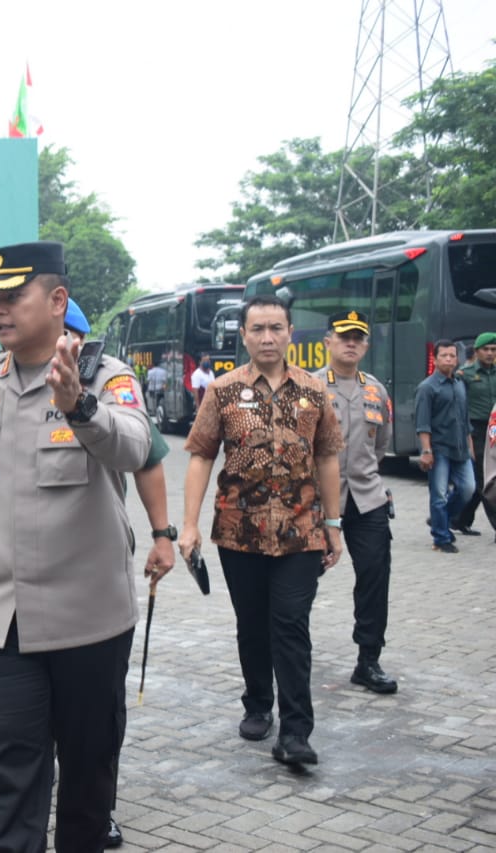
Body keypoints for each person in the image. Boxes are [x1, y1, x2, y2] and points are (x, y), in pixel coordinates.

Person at [0, 242, 151, 852]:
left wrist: (79, 407)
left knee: (87, 784)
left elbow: (135, 448)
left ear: (58, 301)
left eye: (13, 296)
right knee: (10, 780)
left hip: (88, 621)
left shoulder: (106, 380)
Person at [179, 294, 344, 768]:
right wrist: (188, 525)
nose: (267, 337)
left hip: (302, 532)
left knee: (290, 625)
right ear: (245, 336)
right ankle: (257, 703)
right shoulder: (223, 390)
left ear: (291, 332)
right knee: (253, 626)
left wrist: (334, 524)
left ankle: (295, 732)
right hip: (239, 532)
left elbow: (328, 456)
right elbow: (201, 455)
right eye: (258, 329)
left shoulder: (314, 390)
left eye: (276, 328)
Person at [63, 297, 173, 850]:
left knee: (100, 708)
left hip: (97, 565)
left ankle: (98, 803)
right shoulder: (0, 377)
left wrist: (162, 535)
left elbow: (148, 456)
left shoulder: (110, 380)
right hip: (22, 578)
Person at [316, 311, 398, 695]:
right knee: (299, 579)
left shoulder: (376, 391)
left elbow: (380, 446)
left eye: (358, 338)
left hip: (367, 500)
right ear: (328, 341)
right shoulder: (310, 386)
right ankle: (286, 650)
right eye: (344, 336)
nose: (351, 343)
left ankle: (369, 660)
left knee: (374, 577)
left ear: (365, 346)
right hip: (316, 501)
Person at [413, 339, 475, 553]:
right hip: (439, 449)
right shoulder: (427, 388)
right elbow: (422, 423)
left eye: (452, 355)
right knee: (438, 494)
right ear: (436, 359)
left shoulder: (459, 384)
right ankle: (441, 538)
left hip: (460, 448)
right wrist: (426, 451)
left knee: (468, 489)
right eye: (444, 356)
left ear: (457, 359)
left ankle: (441, 519)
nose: (449, 359)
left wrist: (470, 444)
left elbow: (465, 418)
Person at [455, 331, 496, 540]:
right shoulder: (466, 374)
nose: (490, 354)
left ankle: (458, 518)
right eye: (486, 350)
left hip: (494, 427)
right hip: (476, 430)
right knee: (484, 480)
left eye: (493, 350)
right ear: (477, 351)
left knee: (482, 484)